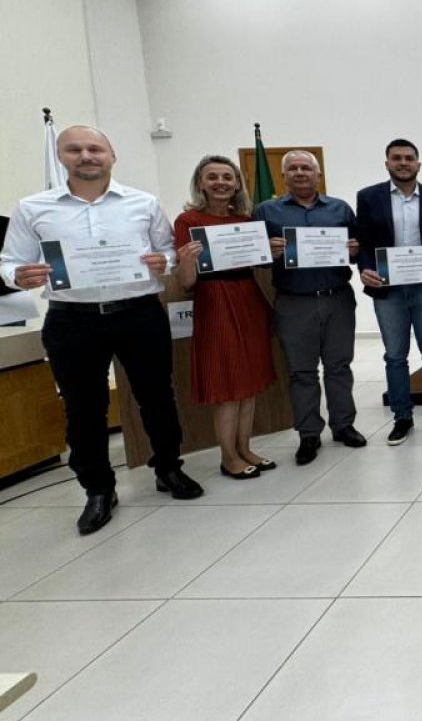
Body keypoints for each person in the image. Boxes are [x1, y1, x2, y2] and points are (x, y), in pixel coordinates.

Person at [0, 125, 203, 535]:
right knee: (83, 408)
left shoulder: (142, 203)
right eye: (75, 150)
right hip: (72, 318)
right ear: (62, 157)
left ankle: (167, 467)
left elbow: (165, 249)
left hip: (138, 312)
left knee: (157, 396)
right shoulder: (33, 207)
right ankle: (98, 489)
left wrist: (161, 261)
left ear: (112, 156)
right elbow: (8, 260)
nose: (86, 156)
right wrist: (18, 275)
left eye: (95, 149)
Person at [253, 149, 364, 465]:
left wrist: (355, 250)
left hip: (337, 298)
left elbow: (357, 251)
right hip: (293, 301)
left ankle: (343, 425)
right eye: (293, 168)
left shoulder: (339, 209)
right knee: (302, 372)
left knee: (339, 366)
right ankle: (309, 434)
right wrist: (266, 251)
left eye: (306, 168)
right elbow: (249, 254)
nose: (300, 173)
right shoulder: (266, 211)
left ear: (318, 175)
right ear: (284, 175)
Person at [174, 156, 277, 480]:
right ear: (200, 183)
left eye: (227, 177)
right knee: (229, 382)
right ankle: (228, 456)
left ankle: (245, 448)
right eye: (212, 176)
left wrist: (270, 251)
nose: (220, 182)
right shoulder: (188, 221)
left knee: (249, 382)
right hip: (215, 301)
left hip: (248, 297)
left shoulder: (246, 221)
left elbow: (259, 266)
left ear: (237, 184)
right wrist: (187, 261)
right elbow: (186, 282)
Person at [355, 139, 422, 445]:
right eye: (397, 158)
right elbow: (364, 242)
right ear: (387, 163)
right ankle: (402, 417)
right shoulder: (369, 197)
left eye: (409, 158)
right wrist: (364, 269)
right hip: (388, 289)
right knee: (395, 355)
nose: (403, 163)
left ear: (418, 164)